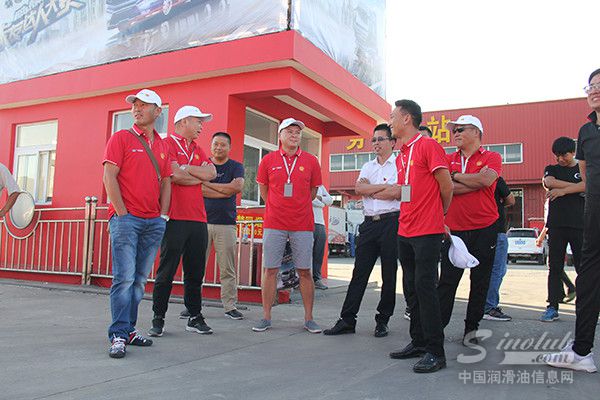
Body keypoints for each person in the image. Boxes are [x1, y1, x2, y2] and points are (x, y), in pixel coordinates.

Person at [103, 89, 172, 359]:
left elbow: (166, 182)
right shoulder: (121, 137)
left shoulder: (162, 145)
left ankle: (129, 330)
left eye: (144, 105)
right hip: (126, 220)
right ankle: (118, 335)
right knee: (124, 279)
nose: (137, 109)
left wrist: (163, 215)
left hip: (153, 221)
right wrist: (121, 213)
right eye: (135, 105)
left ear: (158, 111)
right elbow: (109, 176)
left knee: (140, 281)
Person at [387, 100, 453, 373]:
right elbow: (406, 191)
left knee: (426, 289)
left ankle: (436, 352)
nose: (389, 121)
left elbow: (446, 186)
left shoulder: (428, 146)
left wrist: (440, 215)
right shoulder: (401, 155)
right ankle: (418, 342)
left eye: (392, 116)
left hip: (427, 231)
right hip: (405, 229)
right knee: (411, 289)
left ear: (406, 118)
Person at [545, 68, 600, 373]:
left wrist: (563, 189)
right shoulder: (587, 132)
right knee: (588, 278)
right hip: (593, 215)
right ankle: (581, 352)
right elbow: (587, 177)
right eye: (590, 86)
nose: (594, 90)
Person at [323, 124, 399, 338]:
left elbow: (399, 192)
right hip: (369, 224)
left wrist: (371, 190)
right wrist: (384, 189)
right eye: (374, 139)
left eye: (381, 139)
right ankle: (347, 320)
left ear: (392, 142)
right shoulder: (367, 166)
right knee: (359, 273)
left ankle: (382, 320)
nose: (376, 143)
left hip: (392, 222)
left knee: (389, 274)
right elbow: (359, 189)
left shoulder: (400, 165)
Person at [148, 106, 216, 337]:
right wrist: (196, 175)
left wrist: (186, 169)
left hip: (198, 219)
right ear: (184, 121)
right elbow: (174, 175)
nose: (201, 126)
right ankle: (158, 318)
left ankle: (194, 316)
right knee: (166, 271)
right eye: (198, 121)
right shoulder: (166, 144)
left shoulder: (198, 148)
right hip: (173, 217)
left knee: (195, 272)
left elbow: (211, 174)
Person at [253, 118, 323, 333]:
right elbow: (264, 190)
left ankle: (309, 318)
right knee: (270, 270)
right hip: (274, 223)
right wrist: (277, 206)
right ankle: (266, 317)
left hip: (302, 224)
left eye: (297, 132)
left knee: (305, 271)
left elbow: (313, 192)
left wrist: (297, 205)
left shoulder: (311, 161)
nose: (294, 135)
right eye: (290, 131)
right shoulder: (268, 160)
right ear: (280, 136)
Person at [437, 115, 502, 346]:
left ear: (476, 132)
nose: (455, 134)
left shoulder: (492, 157)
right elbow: (444, 187)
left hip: (485, 228)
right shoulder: (447, 159)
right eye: (453, 130)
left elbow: (486, 181)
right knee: (447, 282)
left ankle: (471, 330)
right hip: (454, 231)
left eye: (460, 129)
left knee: (480, 282)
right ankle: (436, 331)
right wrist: (470, 182)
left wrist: (455, 177)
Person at [540, 137, 584, 322]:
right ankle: (552, 306)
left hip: (579, 225)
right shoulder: (552, 169)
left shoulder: (582, 168)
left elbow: (588, 185)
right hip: (556, 225)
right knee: (555, 267)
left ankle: (587, 307)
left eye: (563, 155)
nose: (560, 159)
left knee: (583, 268)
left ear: (573, 152)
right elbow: (549, 182)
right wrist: (577, 187)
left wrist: (563, 191)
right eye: (557, 156)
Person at [202, 131, 245, 319]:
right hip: (201, 223)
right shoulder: (203, 165)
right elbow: (199, 189)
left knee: (227, 268)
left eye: (223, 145)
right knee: (195, 267)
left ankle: (229, 306)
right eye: (216, 144)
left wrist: (210, 186)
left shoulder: (236, 167)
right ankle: (192, 305)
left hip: (226, 224)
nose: (218, 147)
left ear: (229, 147)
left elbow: (236, 188)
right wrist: (225, 189)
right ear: (211, 145)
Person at [483, 177, 515, 321]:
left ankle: (482, 305)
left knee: (481, 271)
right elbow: (511, 200)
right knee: (497, 270)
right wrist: (499, 203)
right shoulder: (495, 178)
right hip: (496, 229)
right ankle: (489, 307)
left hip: (477, 230)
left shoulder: (467, 178)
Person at [535, 225, 576, 300]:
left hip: (553, 239)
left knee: (554, 267)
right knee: (555, 267)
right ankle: (560, 294)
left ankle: (570, 288)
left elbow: (548, 224)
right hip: (554, 238)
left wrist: (540, 238)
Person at [312, 185, 333, 290]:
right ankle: (302, 279)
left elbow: (330, 200)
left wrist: (319, 198)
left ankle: (316, 279)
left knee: (318, 252)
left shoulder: (320, 186)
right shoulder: (305, 182)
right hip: (307, 222)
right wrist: (322, 203)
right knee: (306, 253)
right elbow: (309, 200)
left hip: (320, 223)